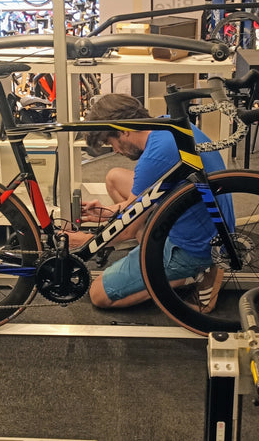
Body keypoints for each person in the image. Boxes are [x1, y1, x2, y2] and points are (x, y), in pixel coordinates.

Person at [67, 93, 234, 313]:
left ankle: (195, 274)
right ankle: (153, 253)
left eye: (111, 142)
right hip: (210, 224)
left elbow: (126, 230)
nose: (115, 150)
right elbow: (142, 201)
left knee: (99, 294)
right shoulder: (165, 124)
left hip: (193, 247)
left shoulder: (153, 158)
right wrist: (108, 212)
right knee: (115, 178)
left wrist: (84, 241)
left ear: (124, 130)